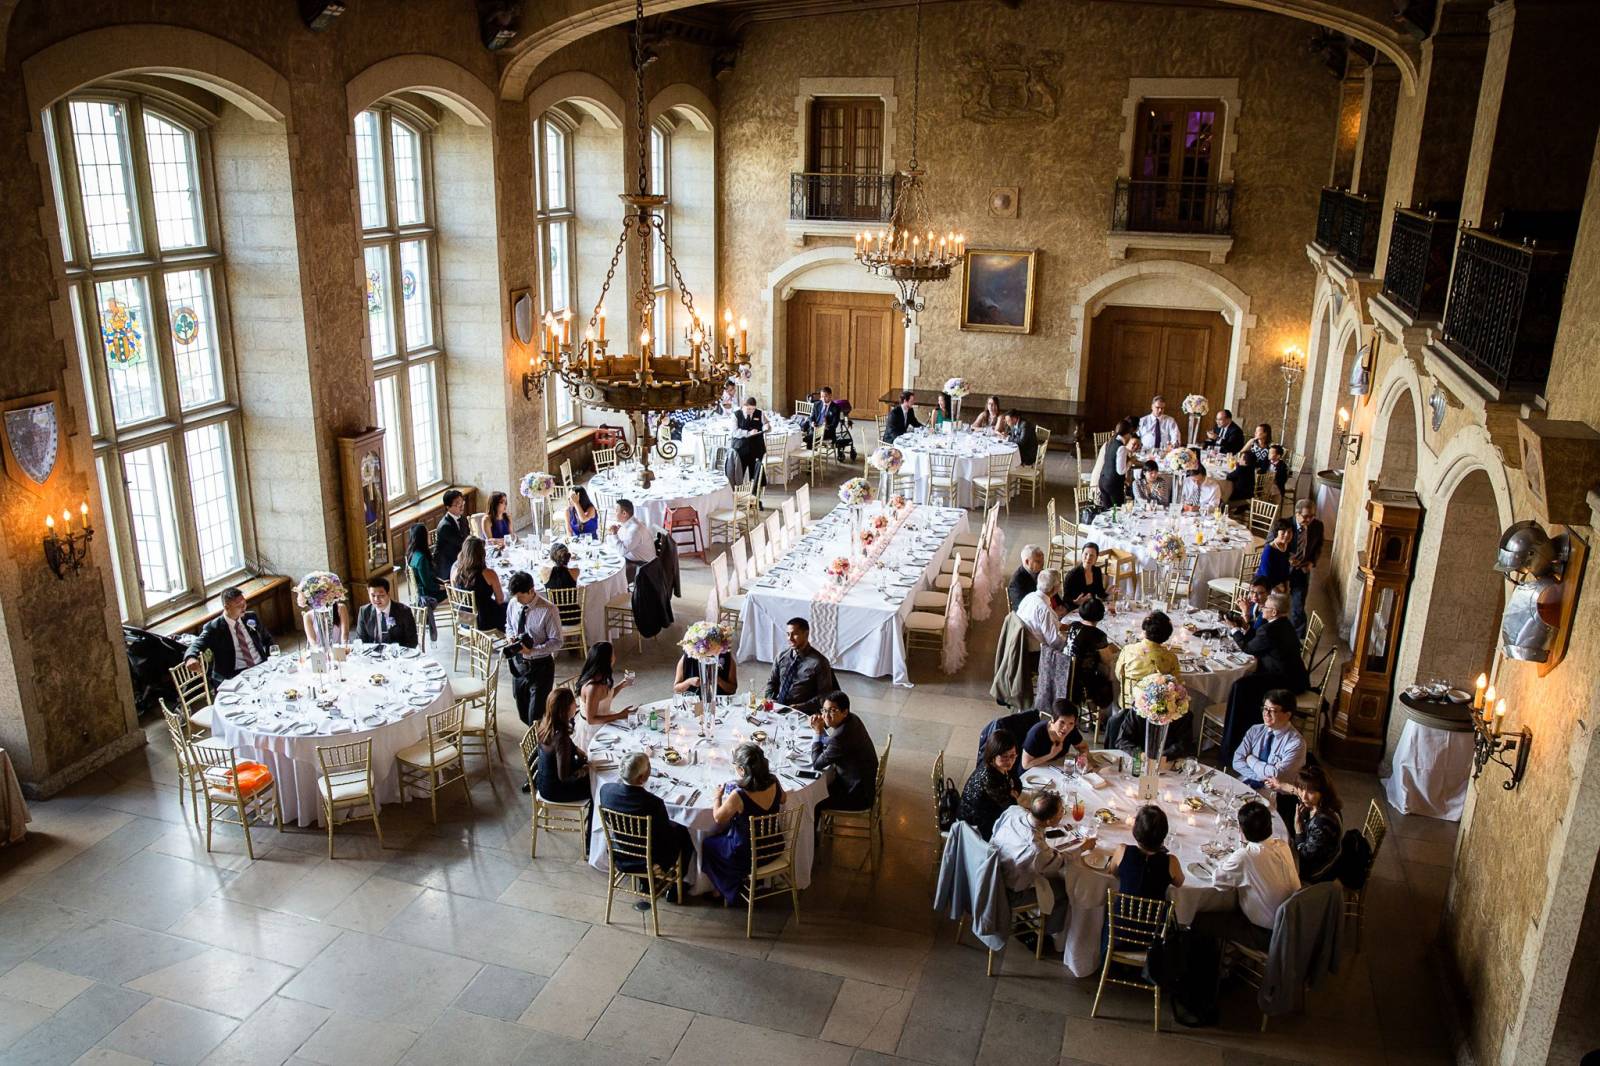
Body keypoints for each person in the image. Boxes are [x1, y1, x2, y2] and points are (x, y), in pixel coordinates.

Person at [1195, 799, 1301, 948]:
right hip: (1294, 923)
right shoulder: (1283, 845)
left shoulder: (1246, 857)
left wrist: (1231, 858)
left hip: (1268, 934)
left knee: (1199, 920)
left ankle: (1213, 967)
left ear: (1241, 831)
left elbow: (1218, 880)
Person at [1221, 595, 1309, 761]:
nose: (1261, 609)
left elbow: (1248, 648)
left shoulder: (1270, 630)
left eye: (1265, 607)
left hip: (1284, 681)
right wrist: (1245, 627)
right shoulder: (1284, 625)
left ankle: (1235, 744)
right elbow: (1258, 641)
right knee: (1246, 683)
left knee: (1239, 687)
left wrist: (1234, 630)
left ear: (1274, 611)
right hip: (1294, 676)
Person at [598, 752, 696, 894]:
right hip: (648, 857)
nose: (651, 768)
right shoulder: (653, 803)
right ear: (641, 778)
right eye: (649, 766)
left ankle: (645, 882)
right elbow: (665, 834)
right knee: (685, 832)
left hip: (620, 849)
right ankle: (677, 887)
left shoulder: (606, 790)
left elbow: (609, 819)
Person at [701, 742, 786, 905]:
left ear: (741, 769)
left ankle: (725, 891)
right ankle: (733, 886)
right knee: (725, 839)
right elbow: (784, 799)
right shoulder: (773, 781)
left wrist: (717, 797)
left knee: (709, 844)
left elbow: (718, 818)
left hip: (747, 855)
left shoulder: (739, 795)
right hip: (774, 846)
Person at [989, 793, 1073, 948]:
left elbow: (995, 832)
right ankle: (1047, 937)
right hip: (1007, 893)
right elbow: (1058, 863)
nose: (1063, 813)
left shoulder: (1013, 811)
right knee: (1063, 892)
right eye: (1061, 812)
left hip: (992, 872)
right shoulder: (1037, 851)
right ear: (1049, 821)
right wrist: (1081, 848)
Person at [1232, 689, 1308, 836]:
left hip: (1278, 795)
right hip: (1247, 783)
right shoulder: (1255, 730)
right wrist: (1260, 776)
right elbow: (1236, 761)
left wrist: (1250, 759)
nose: (1266, 714)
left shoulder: (1296, 743)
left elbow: (1276, 774)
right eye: (1265, 709)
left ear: (1287, 714)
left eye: (1272, 710)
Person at [504, 571, 562, 725]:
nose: (517, 600)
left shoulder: (548, 610)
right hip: (519, 665)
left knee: (535, 717)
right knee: (523, 712)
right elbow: (509, 626)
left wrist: (533, 650)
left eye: (521, 597)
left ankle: (538, 747)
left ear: (531, 590)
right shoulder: (513, 603)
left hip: (541, 667)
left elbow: (557, 642)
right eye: (515, 597)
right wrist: (510, 637)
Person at [184, 586, 272, 684]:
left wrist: (270, 659)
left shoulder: (251, 617)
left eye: (244, 603)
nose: (244, 607)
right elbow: (197, 644)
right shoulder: (214, 627)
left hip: (260, 665)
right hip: (235, 674)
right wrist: (190, 657)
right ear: (227, 607)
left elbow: (267, 639)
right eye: (239, 605)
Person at [1273, 762, 1343, 882]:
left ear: (1322, 792)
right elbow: (1298, 790)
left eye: (1310, 792)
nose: (1304, 796)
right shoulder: (1324, 802)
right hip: (1319, 850)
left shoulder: (1322, 823)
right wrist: (1281, 785)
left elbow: (1305, 857)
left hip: (1318, 871)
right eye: (1302, 789)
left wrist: (1299, 830)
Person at [810, 691, 878, 814]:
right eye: (824, 710)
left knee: (814, 801)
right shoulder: (853, 719)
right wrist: (821, 733)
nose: (826, 716)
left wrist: (818, 733)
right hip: (864, 781)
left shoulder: (840, 737)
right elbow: (835, 743)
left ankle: (815, 834)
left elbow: (817, 763)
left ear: (845, 712)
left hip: (857, 795)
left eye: (833, 711)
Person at [1106, 804, 1185, 899]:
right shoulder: (1171, 861)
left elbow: (1113, 871)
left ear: (1135, 831)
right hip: (1155, 913)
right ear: (1164, 834)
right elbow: (1179, 883)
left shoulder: (1122, 851)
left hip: (1121, 911)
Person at [765, 618, 838, 715]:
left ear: (806, 634)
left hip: (803, 713)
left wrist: (801, 706)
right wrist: (770, 698)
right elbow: (772, 682)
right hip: (779, 708)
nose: (790, 638)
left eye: (794, 634)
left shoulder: (819, 662)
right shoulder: (781, 656)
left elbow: (824, 696)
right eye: (788, 634)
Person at [959, 729, 1020, 840]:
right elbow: (1011, 807)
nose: (1010, 761)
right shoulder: (989, 777)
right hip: (975, 824)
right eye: (1004, 757)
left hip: (989, 809)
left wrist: (1011, 792)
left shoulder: (1000, 765)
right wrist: (1011, 794)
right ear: (993, 756)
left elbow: (1017, 783)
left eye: (1013, 756)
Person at [533, 687, 590, 804]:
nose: (576, 703)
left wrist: (576, 750)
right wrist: (585, 770)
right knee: (596, 787)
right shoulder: (561, 739)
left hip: (543, 781)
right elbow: (564, 777)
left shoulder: (546, 723)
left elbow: (563, 749)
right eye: (574, 702)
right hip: (555, 790)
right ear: (566, 709)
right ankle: (592, 821)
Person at [575, 641, 636, 750]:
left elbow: (604, 700)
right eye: (613, 654)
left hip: (604, 720)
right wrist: (620, 715)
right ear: (606, 660)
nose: (615, 656)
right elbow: (591, 719)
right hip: (594, 729)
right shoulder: (593, 687)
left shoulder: (601, 676)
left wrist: (621, 685)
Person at [1065, 598, 1115, 708]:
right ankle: (1106, 714)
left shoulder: (1074, 625)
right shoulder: (1097, 634)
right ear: (1100, 615)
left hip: (1065, 674)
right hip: (1081, 683)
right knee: (1111, 671)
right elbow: (1107, 659)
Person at [1114, 611, 1181, 693]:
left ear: (1145, 630)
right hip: (1157, 704)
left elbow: (1119, 676)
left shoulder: (1128, 650)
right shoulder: (1171, 658)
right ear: (1167, 636)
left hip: (1128, 702)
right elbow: (1176, 683)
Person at [451, 535, 506, 632]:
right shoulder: (489, 574)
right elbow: (500, 600)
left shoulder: (455, 573)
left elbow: (457, 597)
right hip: (483, 621)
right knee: (510, 607)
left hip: (465, 619)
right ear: (482, 554)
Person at [1288, 498, 1324, 638]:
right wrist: (1288, 559)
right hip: (1283, 570)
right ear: (1297, 514)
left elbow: (1319, 546)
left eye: (1312, 516)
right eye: (1305, 516)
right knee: (1276, 605)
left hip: (1302, 571)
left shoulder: (1317, 526)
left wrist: (1311, 562)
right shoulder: (1285, 524)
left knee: (1298, 607)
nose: (1309, 519)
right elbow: (1270, 544)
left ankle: (1298, 640)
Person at [1022, 701, 1089, 769]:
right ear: (1053, 719)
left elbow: (1083, 747)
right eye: (1062, 722)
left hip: (1055, 768)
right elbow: (1026, 765)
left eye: (1071, 723)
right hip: (1032, 772)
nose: (1066, 728)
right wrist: (1051, 755)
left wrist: (1083, 756)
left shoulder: (1071, 730)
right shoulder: (1036, 733)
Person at [354, 576, 418, 648]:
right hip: (373, 654)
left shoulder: (404, 611)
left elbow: (412, 641)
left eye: (381, 595)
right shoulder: (364, 611)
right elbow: (360, 640)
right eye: (373, 595)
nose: (376, 599)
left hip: (397, 655)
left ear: (388, 594)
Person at [404, 521, 441, 641]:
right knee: (456, 593)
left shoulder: (413, 554)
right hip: (427, 594)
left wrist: (441, 582)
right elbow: (429, 585)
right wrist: (444, 587)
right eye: (427, 534)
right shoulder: (421, 558)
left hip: (421, 591)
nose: (430, 535)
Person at [1016, 568, 1068, 653]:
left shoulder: (1029, 596)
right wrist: (1069, 642)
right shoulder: (1045, 610)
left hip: (1021, 644)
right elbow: (1054, 643)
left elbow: (1044, 623)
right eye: (1060, 582)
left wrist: (1065, 626)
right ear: (1054, 588)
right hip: (1035, 651)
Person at [1094, 419, 1138, 509]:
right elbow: (1121, 471)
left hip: (1103, 481)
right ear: (1127, 434)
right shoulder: (1121, 448)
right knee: (1116, 513)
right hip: (1113, 485)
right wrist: (1130, 462)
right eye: (1130, 435)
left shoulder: (1110, 441)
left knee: (1107, 512)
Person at [805, 385, 854, 460]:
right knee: (811, 436)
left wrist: (826, 425)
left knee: (810, 439)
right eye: (821, 396)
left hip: (828, 432)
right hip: (815, 428)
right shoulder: (817, 404)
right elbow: (811, 417)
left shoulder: (836, 408)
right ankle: (811, 459)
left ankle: (810, 460)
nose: (823, 399)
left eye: (825, 396)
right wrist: (812, 422)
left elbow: (834, 425)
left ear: (830, 396)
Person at [731, 396, 769, 492]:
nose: (751, 411)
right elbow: (734, 432)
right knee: (739, 474)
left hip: (756, 448)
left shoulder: (759, 413)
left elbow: (766, 424)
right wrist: (748, 433)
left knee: (756, 474)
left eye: (753, 409)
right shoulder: (736, 415)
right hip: (741, 449)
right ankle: (738, 495)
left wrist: (766, 426)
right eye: (748, 409)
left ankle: (755, 497)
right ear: (744, 406)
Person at [607, 499, 655, 568]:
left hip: (644, 565)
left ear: (624, 513)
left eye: (616, 510)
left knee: (611, 563)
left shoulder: (635, 530)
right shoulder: (630, 523)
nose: (614, 513)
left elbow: (621, 551)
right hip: (634, 557)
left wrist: (614, 534)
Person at [433, 488, 470, 580]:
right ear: (448, 507)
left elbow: (468, 537)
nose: (461, 506)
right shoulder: (445, 526)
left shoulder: (463, 519)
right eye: (458, 504)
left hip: (460, 557)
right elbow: (461, 543)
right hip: (447, 564)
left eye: (462, 503)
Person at [673, 645, 738, 696]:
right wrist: (689, 682)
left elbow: (732, 689)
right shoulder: (688, 657)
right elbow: (676, 688)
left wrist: (718, 680)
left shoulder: (726, 656)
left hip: (720, 704)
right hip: (694, 703)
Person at [543, 542, 581, 625]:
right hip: (574, 616)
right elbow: (567, 568)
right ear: (567, 557)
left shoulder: (544, 572)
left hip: (554, 617)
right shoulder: (576, 571)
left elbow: (548, 566)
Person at [1062, 543, 1107, 607]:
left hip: (1091, 607)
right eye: (1086, 554)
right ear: (1082, 555)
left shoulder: (1097, 571)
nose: (1088, 558)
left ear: (1096, 558)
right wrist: (1076, 602)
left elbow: (1100, 593)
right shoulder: (1072, 575)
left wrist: (1107, 592)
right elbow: (1065, 598)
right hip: (1075, 608)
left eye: (1092, 555)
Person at [1255, 519, 1296, 590]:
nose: (1287, 535)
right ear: (1277, 533)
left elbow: (1285, 568)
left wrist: (1286, 584)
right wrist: (1278, 587)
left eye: (1289, 532)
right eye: (1283, 532)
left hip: (1280, 584)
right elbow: (1266, 576)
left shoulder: (1286, 545)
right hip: (1265, 587)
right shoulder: (1269, 550)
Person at [1008, 544, 1045, 612]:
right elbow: (1022, 609)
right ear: (1027, 562)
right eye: (1038, 561)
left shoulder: (1040, 571)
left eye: (1043, 560)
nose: (1042, 564)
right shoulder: (1016, 582)